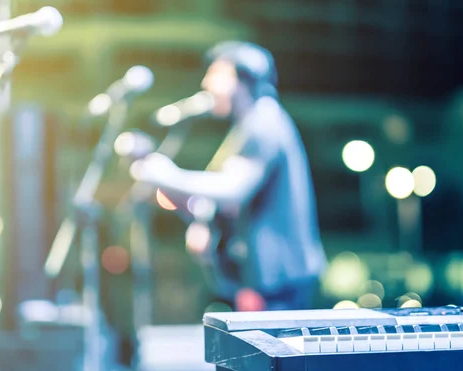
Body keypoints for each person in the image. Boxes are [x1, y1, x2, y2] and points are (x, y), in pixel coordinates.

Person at [132, 41, 326, 311]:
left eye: (216, 74)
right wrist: (202, 219)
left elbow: (234, 188)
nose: (206, 83)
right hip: (264, 281)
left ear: (245, 79)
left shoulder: (265, 122)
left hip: (279, 282)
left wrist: (168, 175)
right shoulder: (250, 125)